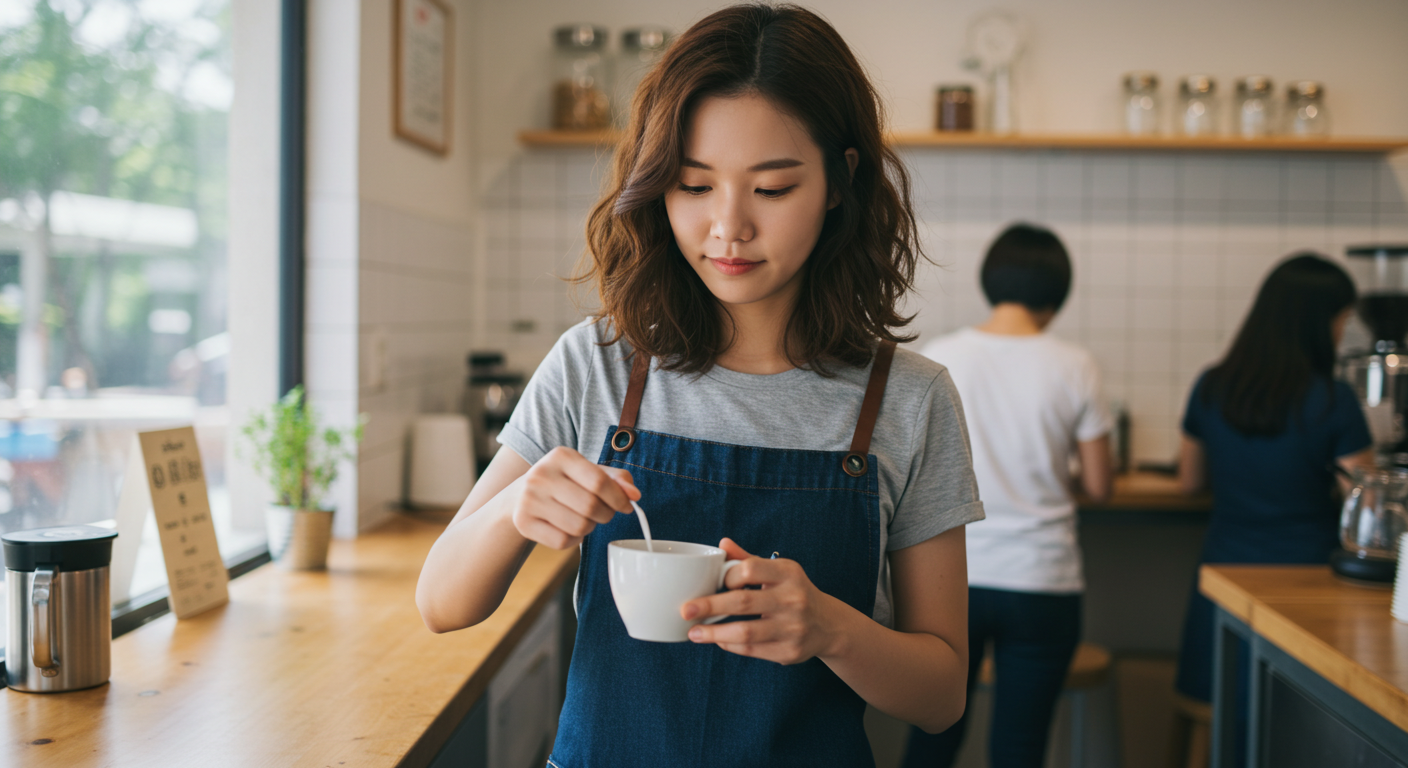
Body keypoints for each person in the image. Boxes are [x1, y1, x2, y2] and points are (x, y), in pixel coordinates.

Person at [414, 5, 985, 766]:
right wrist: (516, 510)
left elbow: (943, 697)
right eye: (693, 185)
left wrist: (831, 630)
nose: (728, 227)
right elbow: (441, 604)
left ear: (840, 181)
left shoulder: (911, 400)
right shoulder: (596, 366)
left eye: (772, 189)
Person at [907, 223, 1114, 767]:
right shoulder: (1075, 364)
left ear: (990, 280)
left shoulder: (942, 356)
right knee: (1020, 748)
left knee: (933, 738)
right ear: (1057, 294)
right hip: (1041, 579)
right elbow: (1099, 484)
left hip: (952, 576)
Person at [1174, 253, 1374, 711]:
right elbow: (1365, 507)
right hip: (1308, 583)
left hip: (1224, 576)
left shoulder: (1212, 386)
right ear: (1319, 323)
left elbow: (1189, 480)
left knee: (1220, 700)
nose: (1342, 333)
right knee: (1292, 713)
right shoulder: (1334, 400)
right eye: (1342, 320)